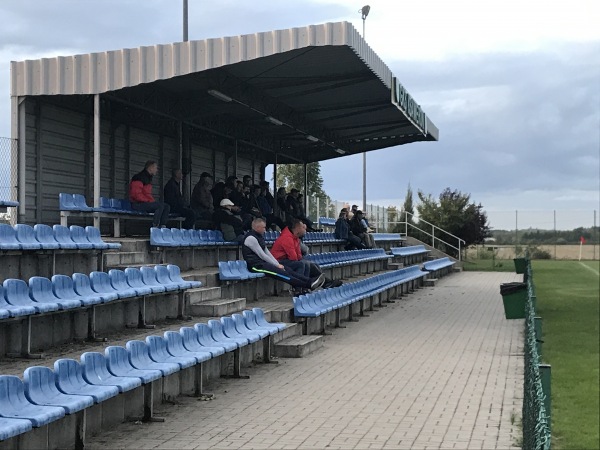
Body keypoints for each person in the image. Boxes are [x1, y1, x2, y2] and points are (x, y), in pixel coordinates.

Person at [242, 217, 325, 293]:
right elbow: (262, 255)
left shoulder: (259, 237)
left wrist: (278, 264)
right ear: (257, 227)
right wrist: (276, 265)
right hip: (256, 266)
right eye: (263, 227)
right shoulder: (251, 238)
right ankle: (308, 285)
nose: (265, 229)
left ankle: (310, 281)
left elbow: (267, 253)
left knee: (288, 270)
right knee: (283, 275)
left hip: (263, 263)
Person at [271, 219, 342, 289]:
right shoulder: (287, 238)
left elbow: (298, 255)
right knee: (301, 264)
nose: (305, 229)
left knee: (311, 264)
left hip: (287, 260)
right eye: (303, 227)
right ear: (297, 229)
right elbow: (293, 257)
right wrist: (300, 259)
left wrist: (301, 259)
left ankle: (321, 283)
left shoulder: (295, 238)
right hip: (278, 261)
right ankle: (299, 288)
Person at [129, 160, 171, 228]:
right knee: (159, 206)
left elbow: (147, 194)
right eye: (155, 168)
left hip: (144, 203)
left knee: (166, 206)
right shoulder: (139, 177)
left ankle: (163, 226)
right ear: (150, 168)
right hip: (137, 204)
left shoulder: (148, 178)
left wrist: (151, 201)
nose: (156, 170)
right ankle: (155, 226)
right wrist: (148, 201)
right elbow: (136, 194)